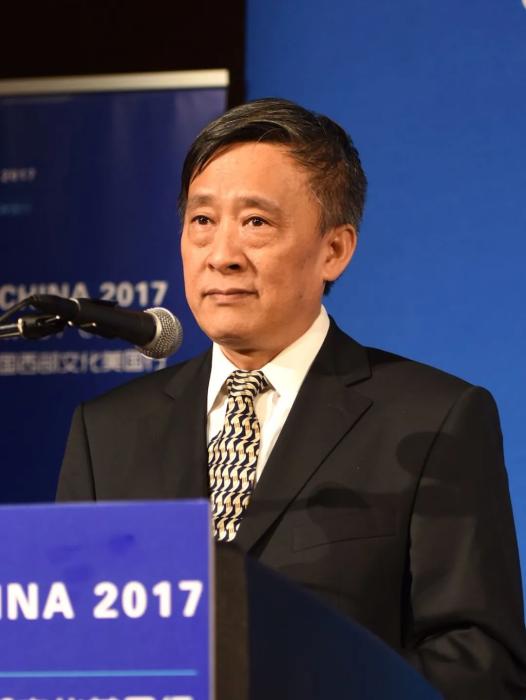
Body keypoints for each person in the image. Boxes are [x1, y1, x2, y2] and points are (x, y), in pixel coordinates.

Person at [58, 98, 526, 697]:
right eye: (202, 221)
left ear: (335, 250)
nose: (222, 255)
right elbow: (68, 647)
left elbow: (481, 665)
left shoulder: (432, 421)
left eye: (256, 223)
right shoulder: (107, 432)